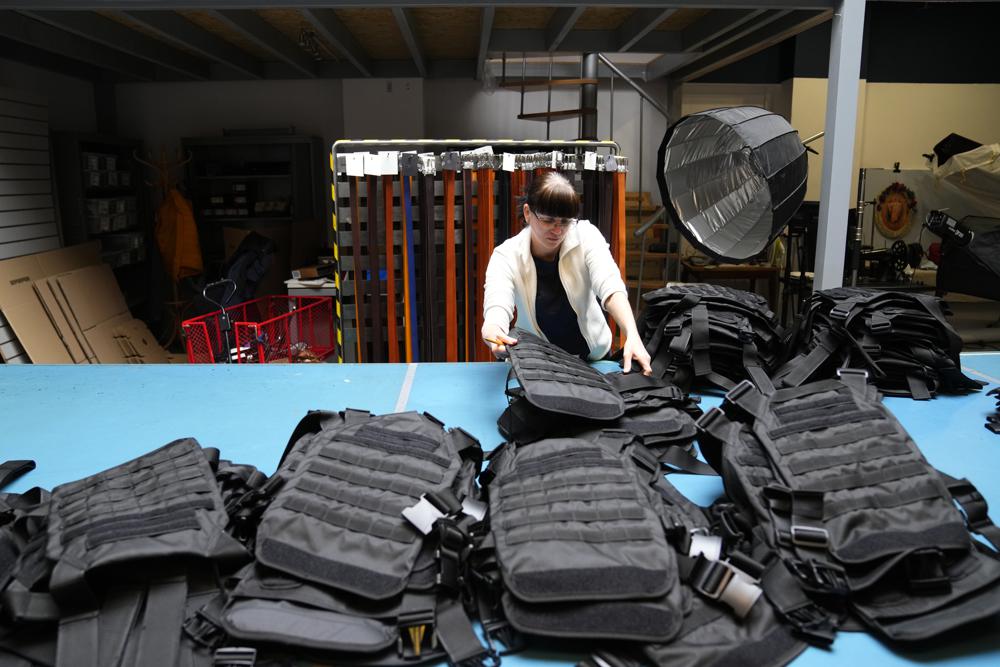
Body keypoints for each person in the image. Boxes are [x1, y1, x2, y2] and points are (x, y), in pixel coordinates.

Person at [481, 171, 652, 375]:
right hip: (539, 364)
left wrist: (632, 334)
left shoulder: (586, 236)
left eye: (565, 221)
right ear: (527, 213)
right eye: (548, 220)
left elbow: (610, 287)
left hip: (593, 360)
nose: (558, 230)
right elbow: (497, 307)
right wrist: (493, 332)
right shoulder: (506, 255)